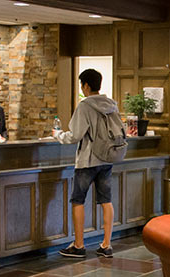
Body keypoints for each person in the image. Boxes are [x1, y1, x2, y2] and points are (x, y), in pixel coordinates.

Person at [53, 69, 117, 258]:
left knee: (78, 200)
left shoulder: (85, 106)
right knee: (106, 200)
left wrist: (58, 136)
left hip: (88, 159)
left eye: (82, 85)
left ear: (86, 86)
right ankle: (106, 245)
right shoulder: (112, 104)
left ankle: (79, 245)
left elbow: (75, 135)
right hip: (107, 158)